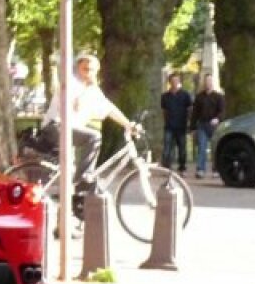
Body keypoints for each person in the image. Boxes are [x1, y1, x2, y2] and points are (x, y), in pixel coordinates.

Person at [39, 52, 140, 187]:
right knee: (93, 137)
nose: (88, 73)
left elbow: (109, 108)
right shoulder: (71, 83)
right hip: (55, 127)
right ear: (78, 69)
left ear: (96, 72)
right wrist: (81, 96)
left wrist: (128, 124)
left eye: (91, 70)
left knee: (70, 168)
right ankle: (83, 180)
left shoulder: (92, 90)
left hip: (69, 129)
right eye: (84, 69)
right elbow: (70, 102)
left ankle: (74, 191)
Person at [190, 72, 225, 178]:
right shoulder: (199, 97)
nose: (208, 83)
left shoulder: (218, 97)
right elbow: (194, 113)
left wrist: (217, 118)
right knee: (202, 147)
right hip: (202, 124)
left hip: (214, 125)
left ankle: (216, 169)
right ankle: (200, 169)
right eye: (206, 81)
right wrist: (192, 128)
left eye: (210, 81)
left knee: (216, 148)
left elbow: (222, 111)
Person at [160, 72, 192, 172]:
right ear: (170, 82)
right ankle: (166, 168)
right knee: (167, 149)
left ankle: (182, 167)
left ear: (179, 82)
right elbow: (164, 111)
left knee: (182, 149)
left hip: (181, 126)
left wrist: (189, 123)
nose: (175, 82)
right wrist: (166, 121)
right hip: (169, 126)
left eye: (176, 80)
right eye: (173, 81)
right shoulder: (165, 96)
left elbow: (190, 109)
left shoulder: (185, 95)